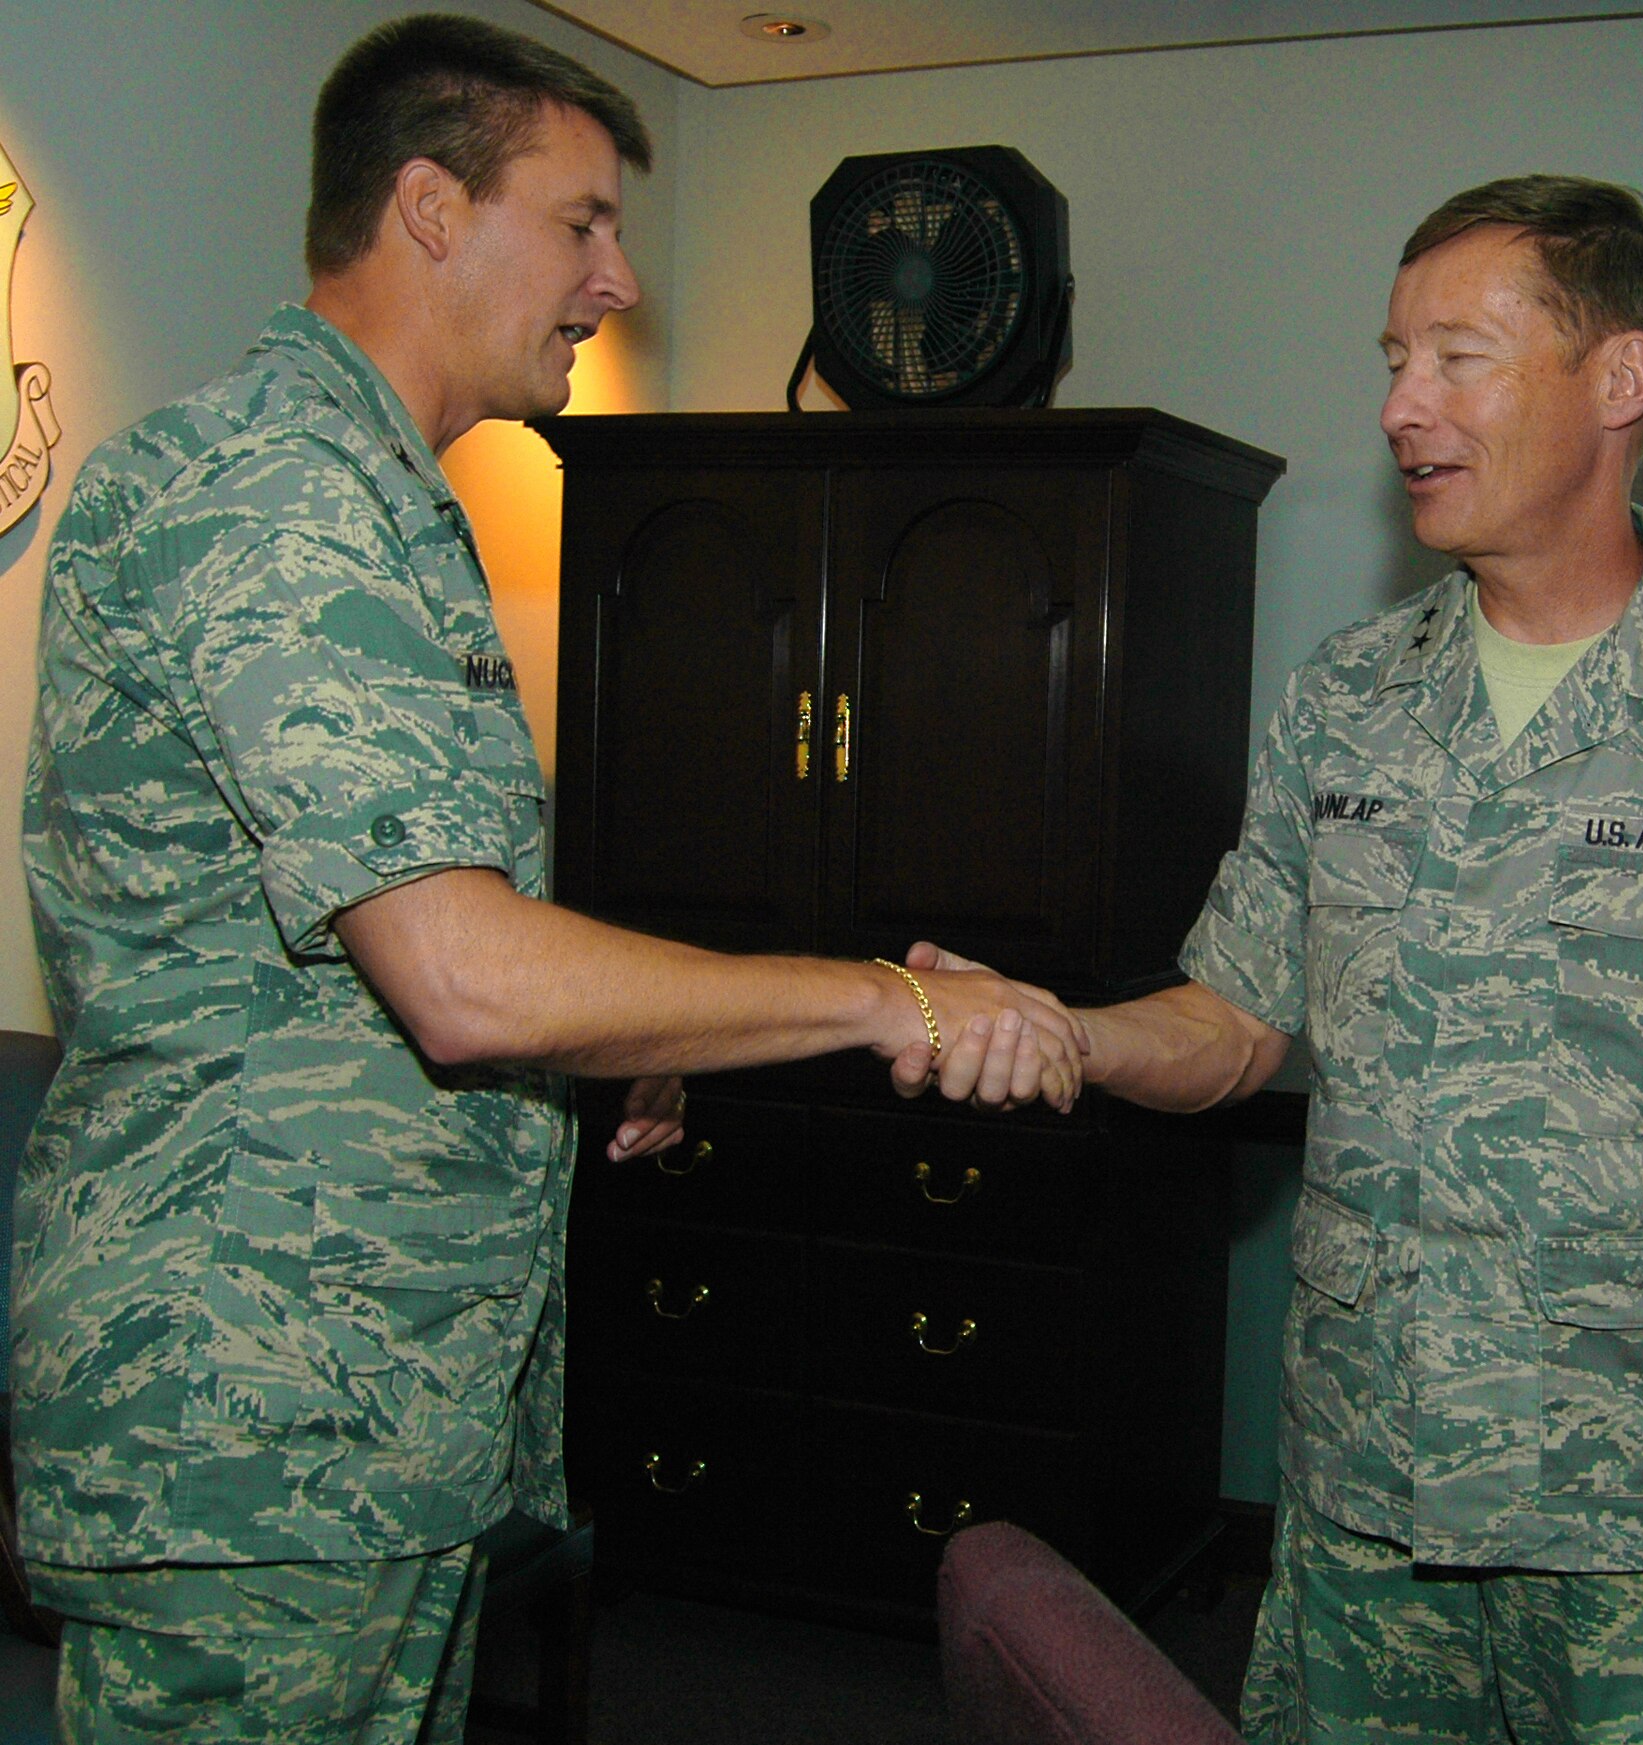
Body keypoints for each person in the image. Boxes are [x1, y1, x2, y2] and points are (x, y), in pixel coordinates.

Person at [12, 14, 1082, 1741]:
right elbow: (464, 973)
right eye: (581, 221)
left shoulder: (384, 501)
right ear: (431, 208)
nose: (619, 280)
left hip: (365, 1412)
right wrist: (890, 994)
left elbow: (394, 973)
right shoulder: (274, 494)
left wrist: (601, 1056)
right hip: (245, 1425)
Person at [913, 175, 1643, 1741]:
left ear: (1619, 379)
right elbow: (1231, 1019)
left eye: (1457, 358)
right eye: (1393, 358)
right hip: (1371, 1518)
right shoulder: (1346, 697)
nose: (1402, 406)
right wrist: (1060, 1028)